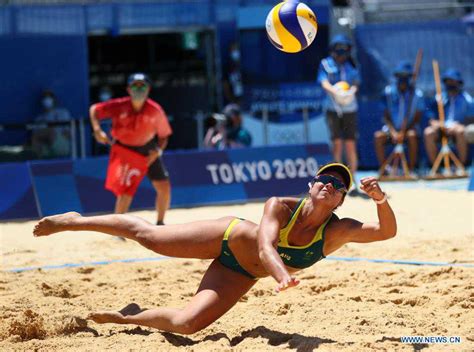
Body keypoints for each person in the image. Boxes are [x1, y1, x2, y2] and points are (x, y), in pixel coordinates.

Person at [33, 162, 397, 335]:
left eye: (338, 186)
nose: (329, 186)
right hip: (227, 237)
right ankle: (73, 220)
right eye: (325, 179)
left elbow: (386, 232)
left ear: (340, 202)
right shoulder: (280, 206)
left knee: (187, 325)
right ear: (311, 184)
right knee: (151, 238)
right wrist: (283, 276)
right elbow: (267, 247)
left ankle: (127, 316)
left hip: (239, 272)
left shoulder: (337, 231)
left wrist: (381, 199)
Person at [89, 73, 173, 225]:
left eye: (143, 86)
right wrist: (97, 130)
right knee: (126, 191)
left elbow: (164, 136)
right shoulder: (119, 105)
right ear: (128, 89)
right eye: (135, 85)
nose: (139, 89)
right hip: (125, 150)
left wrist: (158, 152)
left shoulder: (155, 110)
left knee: (164, 187)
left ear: (148, 89)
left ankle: (160, 223)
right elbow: (94, 109)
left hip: (148, 150)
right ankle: (117, 228)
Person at [317, 34, 360, 190]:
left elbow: (355, 83)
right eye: (339, 50)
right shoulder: (326, 64)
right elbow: (323, 81)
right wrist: (335, 92)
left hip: (349, 108)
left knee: (350, 144)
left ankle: (353, 179)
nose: (342, 54)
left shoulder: (352, 65)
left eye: (345, 50)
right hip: (332, 107)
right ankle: (338, 180)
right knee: (336, 144)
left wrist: (350, 93)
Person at [374, 61, 425, 174]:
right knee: (378, 136)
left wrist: (404, 131)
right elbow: (386, 116)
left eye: (405, 76)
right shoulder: (387, 93)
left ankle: (411, 169)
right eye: (400, 76)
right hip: (391, 130)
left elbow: (417, 118)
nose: (402, 80)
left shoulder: (417, 95)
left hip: (409, 129)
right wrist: (393, 132)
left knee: (412, 136)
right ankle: (384, 170)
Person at [424, 68, 473, 167]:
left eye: (452, 81)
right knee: (428, 132)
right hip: (441, 129)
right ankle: (434, 167)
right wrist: (438, 124)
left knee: (460, 131)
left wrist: (458, 125)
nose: (450, 84)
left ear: (459, 83)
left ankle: (461, 166)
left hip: (458, 128)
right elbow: (430, 116)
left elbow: (470, 119)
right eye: (447, 81)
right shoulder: (438, 98)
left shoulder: (467, 99)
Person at [31, 90, 72, 158]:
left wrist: (57, 141)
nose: (47, 100)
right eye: (44, 98)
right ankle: (37, 159)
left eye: (49, 97)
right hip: (44, 146)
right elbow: (35, 137)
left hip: (61, 144)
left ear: (54, 100)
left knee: (50, 131)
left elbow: (68, 134)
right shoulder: (39, 119)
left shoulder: (63, 113)